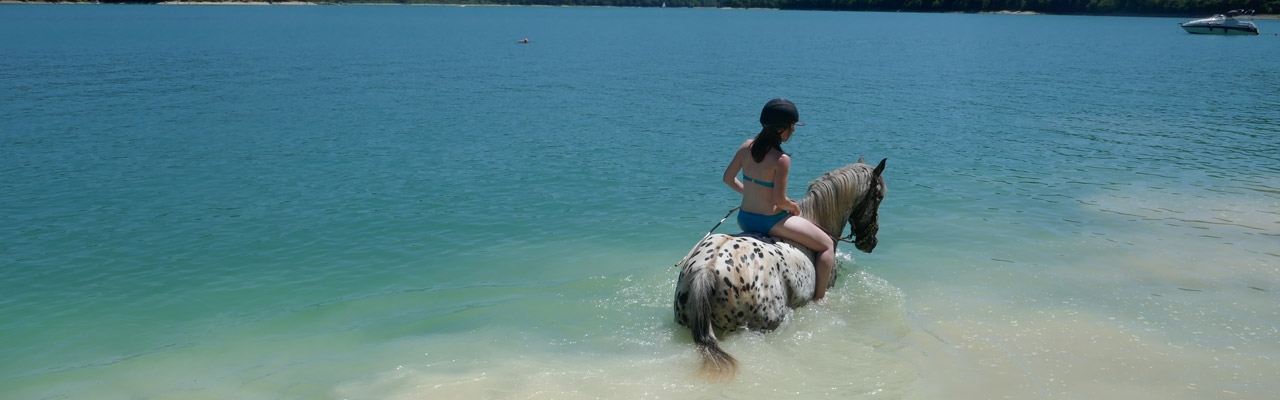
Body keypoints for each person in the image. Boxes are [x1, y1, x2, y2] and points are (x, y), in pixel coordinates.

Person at [721, 98, 836, 301]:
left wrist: (749, 193)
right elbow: (780, 201)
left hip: (745, 218)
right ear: (782, 129)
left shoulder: (746, 146)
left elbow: (727, 179)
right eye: (792, 126)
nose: (793, 131)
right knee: (827, 245)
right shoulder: (781, 160)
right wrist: (793, 206)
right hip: (769, 222)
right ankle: (820, 299)